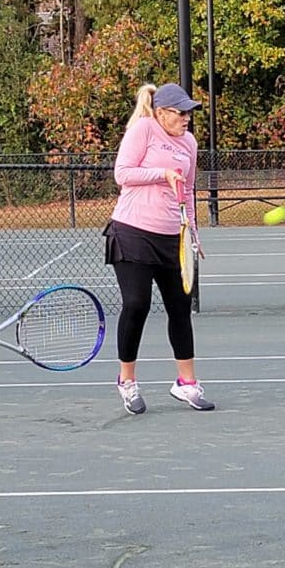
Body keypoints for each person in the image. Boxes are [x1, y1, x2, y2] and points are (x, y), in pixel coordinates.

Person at [104, 82, 214, 414]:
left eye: (189, 113)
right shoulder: (143, 129)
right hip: (132, 231)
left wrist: (193, 233)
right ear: (161, 112)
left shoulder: (190, 143)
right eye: (181, 113)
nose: (187, 119)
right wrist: (161, 173)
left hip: (172, 238)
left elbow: (188, 191)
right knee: (136, 304)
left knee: (180, 308)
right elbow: (122, 174)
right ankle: (127, 381)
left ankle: (186, 383)